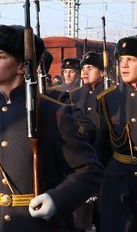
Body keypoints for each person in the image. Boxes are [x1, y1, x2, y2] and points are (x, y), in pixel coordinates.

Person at [0, 24, 103, 231]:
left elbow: (89, 170)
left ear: (21, 67)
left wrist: (57, 199)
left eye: (0, 56)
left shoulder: (54, 114)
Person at [95, 35, 137, 231]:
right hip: (117, 184)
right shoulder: (108, 99)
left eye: (131, 60)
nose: (124, 65)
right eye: (121, 60)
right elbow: (101, 148)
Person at [62, 51, 105, 231]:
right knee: (79, 220)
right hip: (80, 163)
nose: (85, 72)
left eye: (90, 68)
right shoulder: (75, 95)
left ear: (102, 72)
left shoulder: (108, 96)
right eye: (84, 68)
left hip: (101, 161)